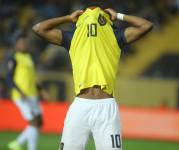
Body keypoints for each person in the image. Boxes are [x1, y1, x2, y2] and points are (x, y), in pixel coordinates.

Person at [33, 7, 153, 150]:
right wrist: (68, 18)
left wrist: (119, 16)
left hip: (106, 107)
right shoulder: (73, 37)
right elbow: (38, 28)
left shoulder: (115, 36)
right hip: (81, 106)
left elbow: (147, 25)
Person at [7, 32, 43, 150]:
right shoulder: (13, 57)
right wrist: (19, 91)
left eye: (25, 42)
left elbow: (32, 77)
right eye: (21, 42)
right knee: (33, 122)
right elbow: (9, 78)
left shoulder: (29, 57)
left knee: (39, 122)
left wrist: (41, 90)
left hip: (32, 94)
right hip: (21, 95)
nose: (23, 44)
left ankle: (17, 143)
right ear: (16, 44)